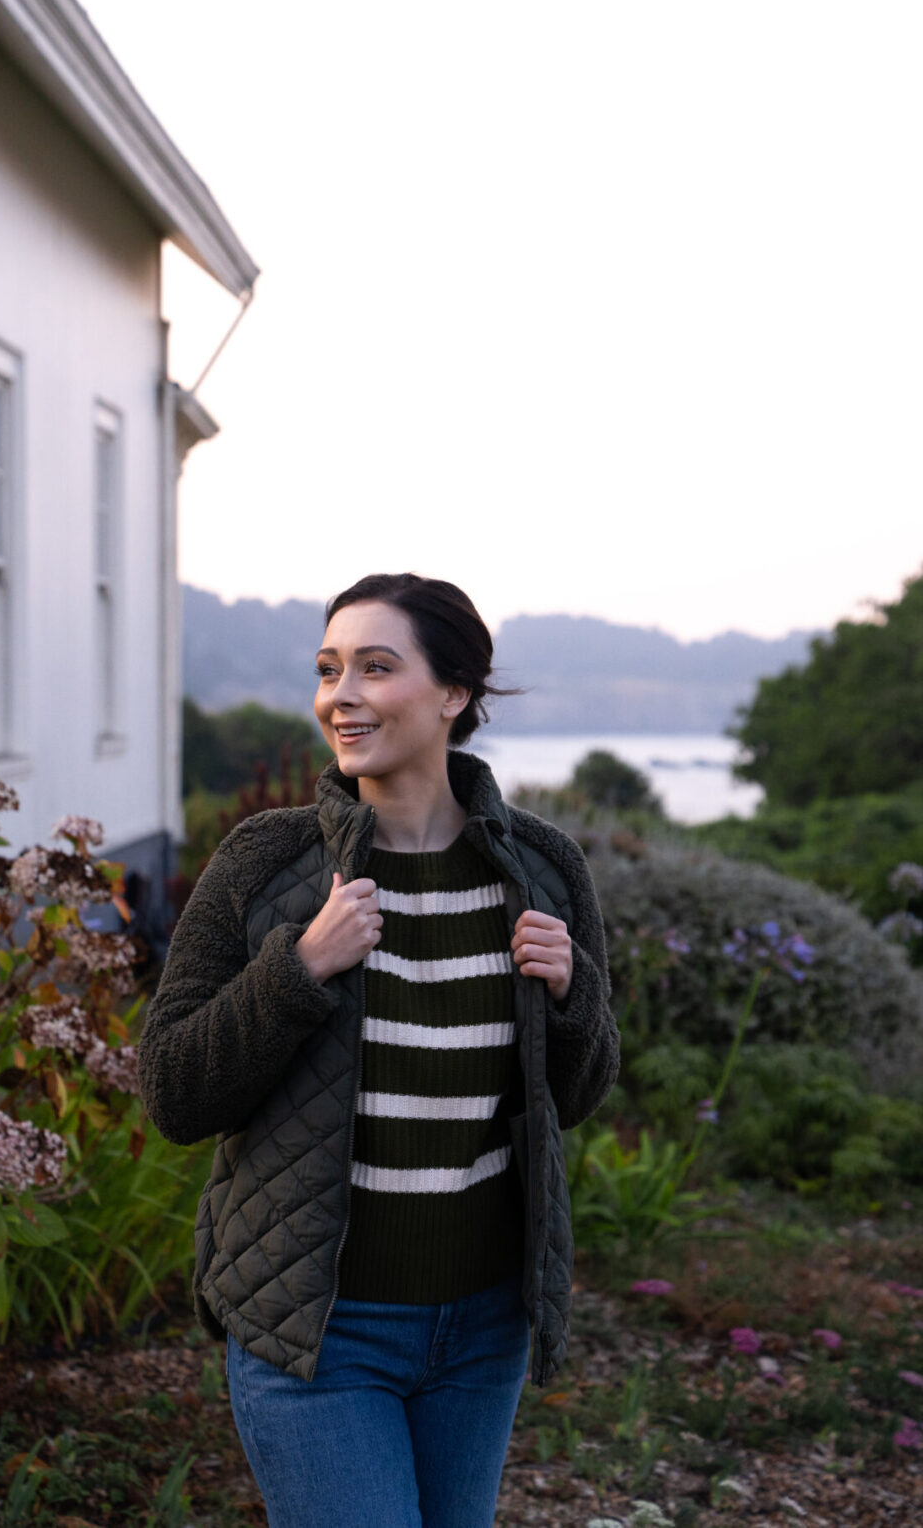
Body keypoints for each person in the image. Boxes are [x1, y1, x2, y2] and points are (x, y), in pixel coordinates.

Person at [137, 573, 620, 1528]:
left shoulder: (543, 869)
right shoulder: (266, 865)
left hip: (483, 1331)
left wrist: (572, 997)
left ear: (454, 694)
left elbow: (580, 1090)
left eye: (375, 667)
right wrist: (299, 969)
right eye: (328, 670)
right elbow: (173, 1093)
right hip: (318, 1332)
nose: (340, 695)